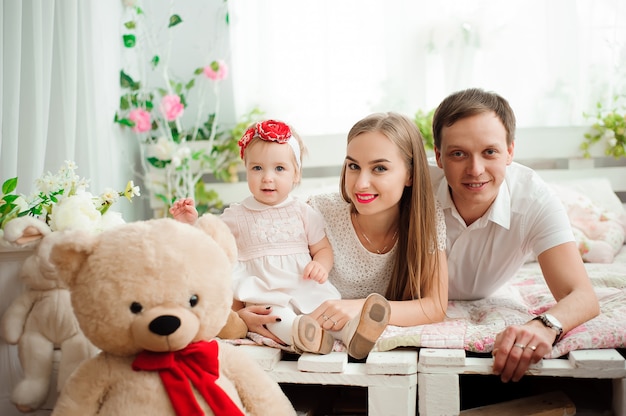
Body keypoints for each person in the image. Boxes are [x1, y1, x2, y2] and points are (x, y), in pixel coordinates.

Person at [171, 119, 391, 359]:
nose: (267, 178)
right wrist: (192, 223)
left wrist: (320, 265)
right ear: (246, 170)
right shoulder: (236, 215)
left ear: (296, 174)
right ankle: (304, 337)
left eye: (279, 169)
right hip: (266, 291)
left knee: (327, 310)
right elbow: (212, 242)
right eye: (257, 168)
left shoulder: (304, 212)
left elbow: (322, 248)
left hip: (303, 284)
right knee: (275, 318)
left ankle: (353, 333)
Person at [235, 112, 449, 354]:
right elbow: (254, 259)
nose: (360, 183)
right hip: (304, 329)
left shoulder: (426, 219)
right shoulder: (316, 211)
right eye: (354, 166)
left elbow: (435, 306)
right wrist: (239, 314)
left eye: (379, 168)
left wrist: (358, 307)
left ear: (410, 174)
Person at [429, 87, 600, 382]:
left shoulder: (535, 199)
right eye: (458, 154)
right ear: (439, 157)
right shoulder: (412, 187)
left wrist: (544, 324)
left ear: (510, 152)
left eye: (489, 152)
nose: (475, 169)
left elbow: (583, 296)